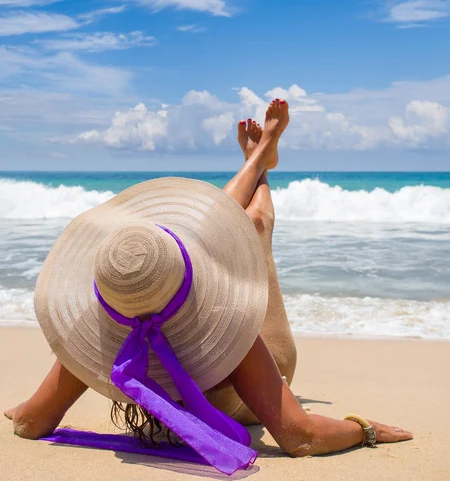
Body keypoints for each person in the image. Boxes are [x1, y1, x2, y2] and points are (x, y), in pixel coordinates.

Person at [4, 99, 412, 474]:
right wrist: (363, 429)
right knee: (252, 228)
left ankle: (258, 159)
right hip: (267, 363)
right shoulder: (205, 321)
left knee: (224, 224)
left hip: (236, 357)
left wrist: (24, 408)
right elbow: (300, 436)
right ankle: (260, 161)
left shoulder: (102, 327)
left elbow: (30, 422)